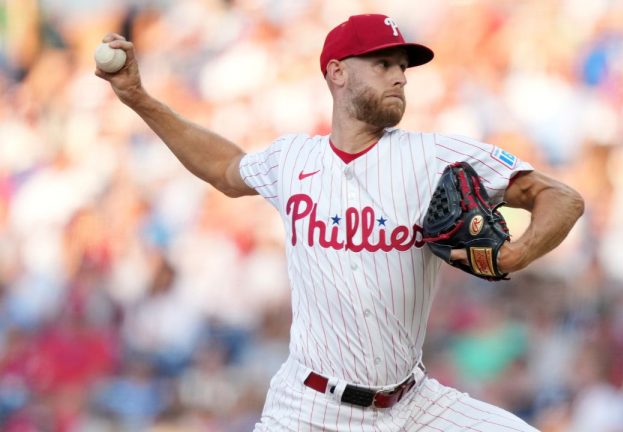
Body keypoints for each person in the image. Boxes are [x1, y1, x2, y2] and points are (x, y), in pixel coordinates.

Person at [97, 13, 584, 432]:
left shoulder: (436, 156)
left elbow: (561, 197)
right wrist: (139, 97)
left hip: (414, 405)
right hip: (308, 408)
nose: (400, 77)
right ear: (336, 72)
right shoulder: (293, 160)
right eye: (383, 64)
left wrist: (515, 254)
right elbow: (225, 170)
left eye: (402, 67)